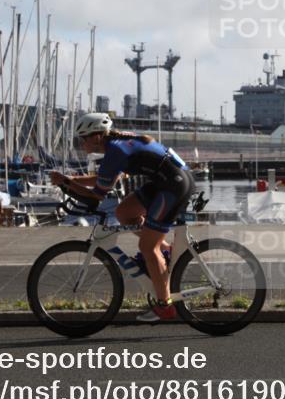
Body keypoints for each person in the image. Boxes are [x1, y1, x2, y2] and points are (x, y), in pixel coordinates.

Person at [50, 112, 196, 322]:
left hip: (174, 186)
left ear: (97, 136)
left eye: (84, 138)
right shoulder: (117, 145)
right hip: (166, 181)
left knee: (147, 248)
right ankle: (164, 251)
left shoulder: (115, 152)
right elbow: (104, 180)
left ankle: (165, 306)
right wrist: (70, 179)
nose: (82, 143)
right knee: (124, 212)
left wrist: (66, 183)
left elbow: (96, 196)